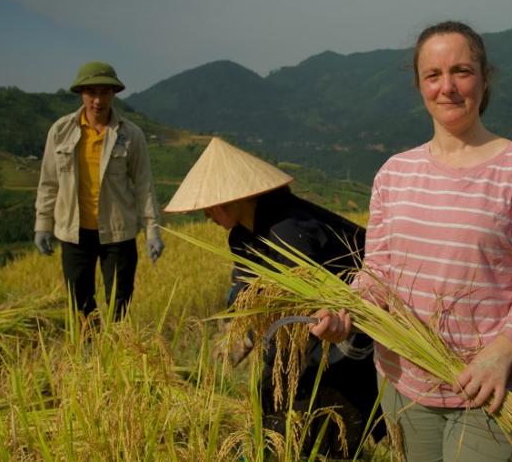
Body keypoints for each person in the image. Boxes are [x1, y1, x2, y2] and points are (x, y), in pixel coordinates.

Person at [312, 21, 512, 461]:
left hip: (491, 388)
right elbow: (379, 275)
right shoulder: (395, 174)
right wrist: (347, 310)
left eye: (462, 71)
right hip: (403, 386)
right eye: (433, 75)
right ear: (419, 84)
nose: (447, 87)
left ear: (485, 78)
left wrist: (503, 351)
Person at [164, 137, 385, 458]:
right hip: (304, 342)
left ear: (235, 199)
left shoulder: (290, 231)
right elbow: (246, 302)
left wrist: (272, 354)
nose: (207, 216)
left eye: (210, 207)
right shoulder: (242, 237)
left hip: (348, 340)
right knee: (275, 413)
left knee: (321, 430)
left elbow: (308, 311)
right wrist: (229, 348)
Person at [34, 61, 164, 320]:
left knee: (120, 301)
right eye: (91, 92)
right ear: (81, 94)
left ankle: (116, 350)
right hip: (74, 232)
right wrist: (42, 225)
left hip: (118, 232)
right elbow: (49, 182)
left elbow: (144, 185)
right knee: (80, 304)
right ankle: (91, 354)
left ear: (114, 93)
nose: (97, 100)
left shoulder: (130, 135)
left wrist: (152, 230)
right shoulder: (60, 131)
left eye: (104, 92)